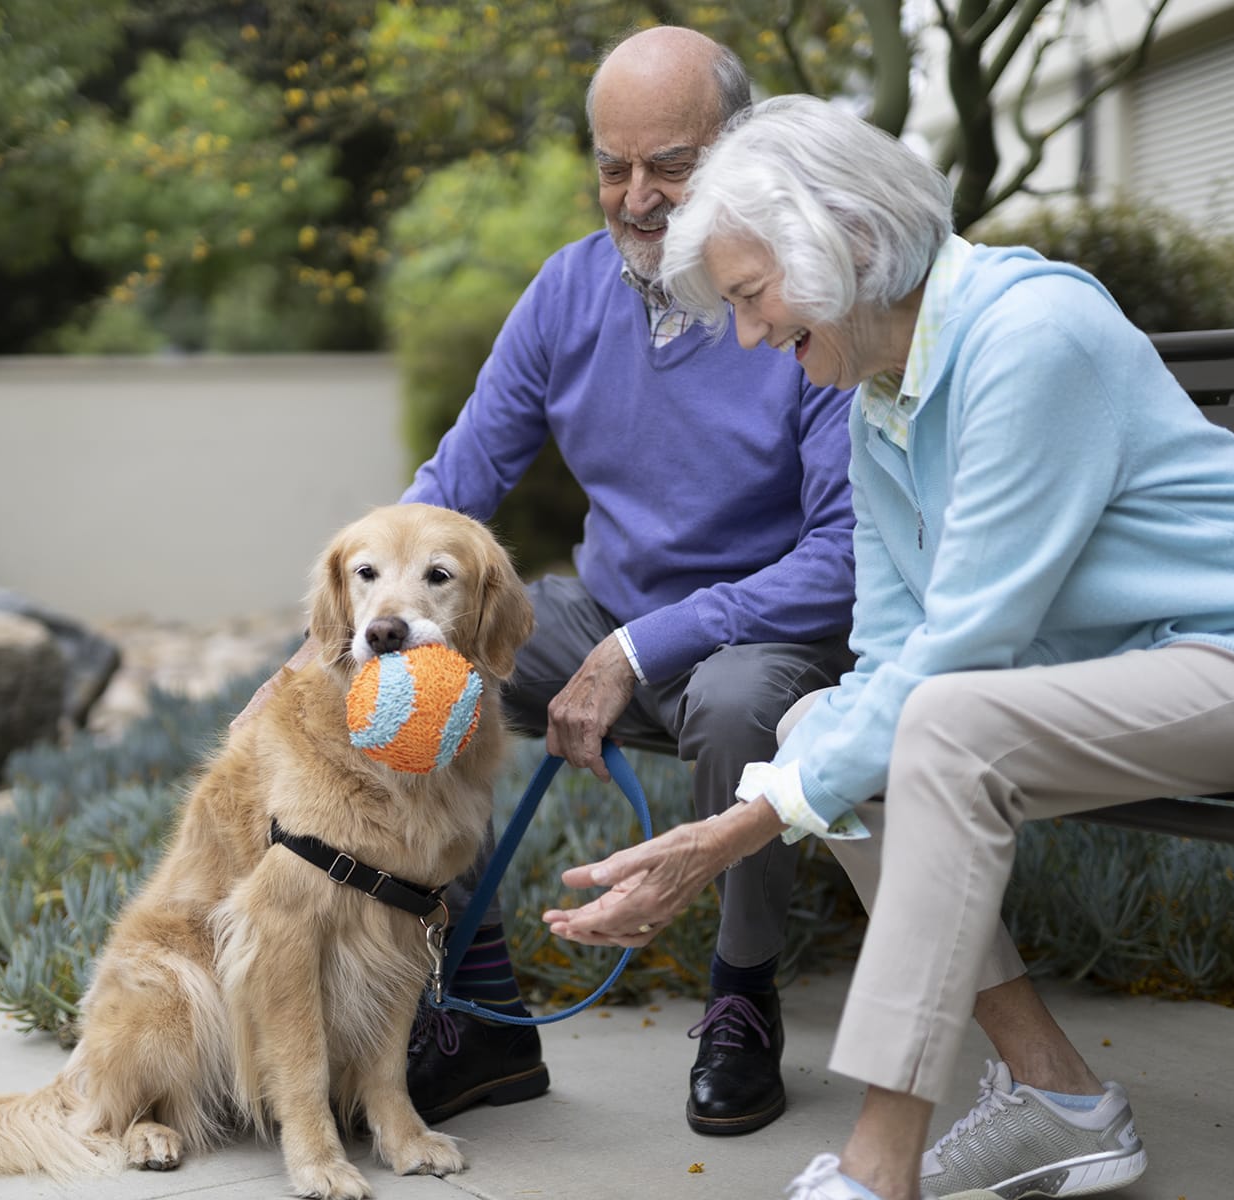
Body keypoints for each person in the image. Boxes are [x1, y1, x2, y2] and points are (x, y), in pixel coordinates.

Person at [542, 94, 1234, 1200]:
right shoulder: (877, 402)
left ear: (850, 247)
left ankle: (881, 1165)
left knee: (934, 724)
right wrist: (769, 802)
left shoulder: (1030, 333)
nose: (756, 336)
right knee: (829, 722)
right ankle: (1055, 1093)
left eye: (756, 297)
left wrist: (725, 832)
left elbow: (965, 648)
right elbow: (889, 656)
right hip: (1135, 680)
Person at [395, 27, 860, 1136]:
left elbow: (843, 560)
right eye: (615, 165)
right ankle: (470, 1004)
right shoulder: (565, 291)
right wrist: (359, 625)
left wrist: (639, 649)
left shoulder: (804, 300)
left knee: (745, 704)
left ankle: (742, 1001)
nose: (638, 197)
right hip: (602, 613)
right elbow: (452, 492)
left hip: (765, 633)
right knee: (423, 658)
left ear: (741, 152)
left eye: (671, 165)